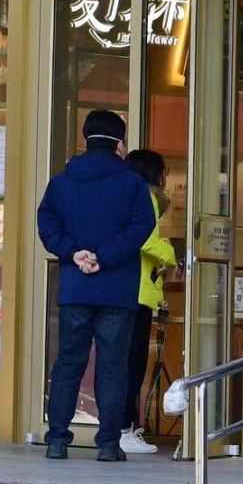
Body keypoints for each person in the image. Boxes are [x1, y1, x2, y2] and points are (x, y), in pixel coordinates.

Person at [37, 110, 156, 462]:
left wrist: (74, 253)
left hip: (76, 286)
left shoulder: (62, 181)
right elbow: (142, 227)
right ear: (119, 142)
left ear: (85, 138)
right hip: (117, 288)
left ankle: (57, 440)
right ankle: (107, 444)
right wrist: (105, 257)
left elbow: (47, 224)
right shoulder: (132, 184)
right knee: (113, 366)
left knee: (68, 362)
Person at [119, 149, 178, 456]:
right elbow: (144, 239)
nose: (166, 177)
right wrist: (170, 254)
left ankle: (119, 428)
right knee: (133, 364)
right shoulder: (147, 198)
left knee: (120, 363)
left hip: (121, 289)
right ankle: (126, 430)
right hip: (138, 291)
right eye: (163, 171)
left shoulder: (120, 195)